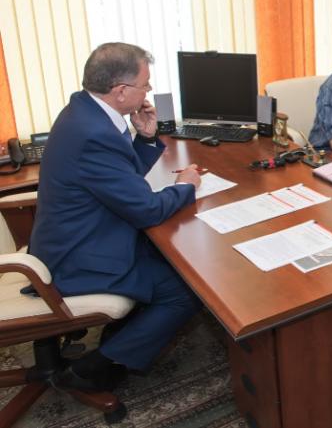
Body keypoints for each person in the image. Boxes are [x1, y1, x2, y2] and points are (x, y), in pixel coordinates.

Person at [29, 42, 202, 391]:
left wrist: (146, 138)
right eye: (145, 84)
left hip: (77, 234)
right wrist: (186, 185)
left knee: (169, 258)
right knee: (188, 289)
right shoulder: (93, 133)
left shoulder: (84, 112)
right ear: (121, 91)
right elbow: (146, 209)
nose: (148, 90)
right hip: (79, 255)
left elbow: (118, 178)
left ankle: (121, 331)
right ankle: (94, 368)